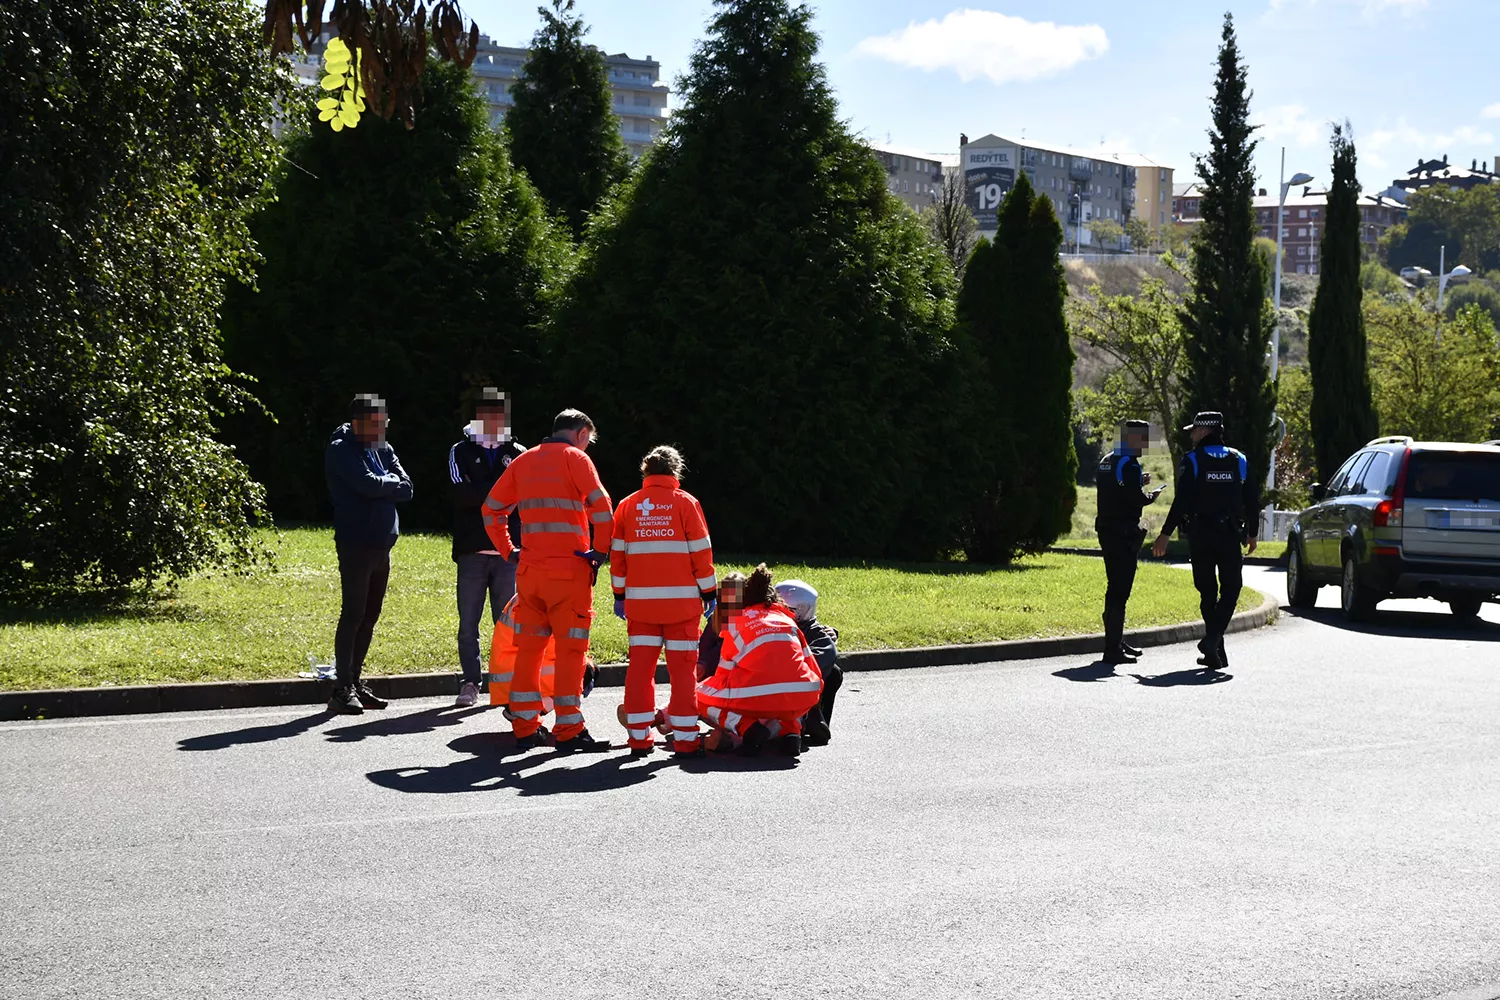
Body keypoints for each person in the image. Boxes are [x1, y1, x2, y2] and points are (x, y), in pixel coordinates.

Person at [481, 408, 614, 752]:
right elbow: (603, 508)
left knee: (530, 650)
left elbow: (491, 509)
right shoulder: (576, 460)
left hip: (530, 574)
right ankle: (569, 731)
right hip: (568, 575)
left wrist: (510, 551)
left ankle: (526, 727)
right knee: (571, 652)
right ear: (582, 434)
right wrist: (599, 552)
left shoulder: (523, 462)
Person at [610, 445, 716, 758]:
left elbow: (617, 557)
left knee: (640, 672)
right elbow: (701, 553)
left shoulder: (628, 505)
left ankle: (639, 739)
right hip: (682, 608)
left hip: (641, 608)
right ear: (676, 472)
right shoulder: (686, 503)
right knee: (683, 674)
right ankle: (685, 739)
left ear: (646, 471)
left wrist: (620, 595)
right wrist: (708, 592)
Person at [324, 393, 413, 715]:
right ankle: (341, 688)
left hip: (382, 545)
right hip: (356, 543)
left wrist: (384, 483)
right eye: (377, 423)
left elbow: (408, 487)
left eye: (384, 422)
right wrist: (386, 484)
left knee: (370, 617)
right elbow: (367, 485)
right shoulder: (341, 449)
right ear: (358, 423)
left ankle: (356, 682)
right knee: (353, 615)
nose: (383, 429)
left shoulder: (383, 449)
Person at [1152, 411, 1259, 670]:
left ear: (1204, 431)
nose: (1191, 435)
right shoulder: (1239, 459)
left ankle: (1213, 644)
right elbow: (1252, 500)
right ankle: (1214, 647)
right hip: (1230, 534)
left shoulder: (1192, 460)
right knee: (1231, 589)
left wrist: (1165, 534)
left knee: (1208, 591)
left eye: (1194, 431)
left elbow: (1182, 501)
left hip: (1200, 535)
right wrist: (1252, 533)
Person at [449, 387, 527, 708]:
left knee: (507, 622)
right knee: (468, 623)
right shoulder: (460, 451)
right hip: (471, 551)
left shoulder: (519, 452)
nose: (495, 421)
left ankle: (506, 684)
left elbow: (522, 496)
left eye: (500, 416)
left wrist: (482, 489)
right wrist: (500, 491)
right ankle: (471, 682)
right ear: (478, 417)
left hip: (509, 552)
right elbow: (460, 494)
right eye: (489, 415)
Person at [697, 565, 824, 758]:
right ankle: (791, 731)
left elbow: (723, 676)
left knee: (699, 698)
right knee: (787, 697)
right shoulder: (788, 621)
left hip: (758, 695)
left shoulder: (738, 623)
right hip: (804, 694)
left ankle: (747, 727)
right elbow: (811, 665)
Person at [1095, 419, 1167, 665]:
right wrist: (1151, 495)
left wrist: (1137, 483)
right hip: (1123, 532)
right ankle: (1112, 649)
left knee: (1113, 586)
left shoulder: (1108, 460)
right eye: (1144, 439)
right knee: (1120, 590)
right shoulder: (1130, 463)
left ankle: (1115, 640)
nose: (1147, 445)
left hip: (1106, 528)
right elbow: (1136, 499)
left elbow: (1115, 490)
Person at [772, 580, 841, 746]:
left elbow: (813, 664)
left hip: (792, 683)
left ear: (800, 611)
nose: (777, 610)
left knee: (834, 672)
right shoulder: (768, 624)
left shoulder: (816, 633)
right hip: (768, 680)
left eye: (783, 607)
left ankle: (812, 719)